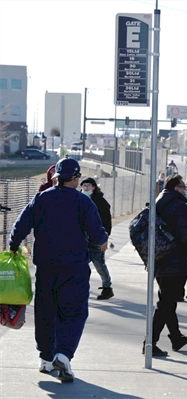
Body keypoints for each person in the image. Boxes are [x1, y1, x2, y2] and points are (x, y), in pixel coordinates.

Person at [9, 157, 108, 383]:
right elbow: (97, 233)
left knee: (46, 313)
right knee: (73, 312)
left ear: (56, 178)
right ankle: (63, 354)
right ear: (75, 178)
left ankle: (45, 359)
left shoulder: (41, 199)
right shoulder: (83, 202)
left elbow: (20, 225)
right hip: (74, 268)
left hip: (45, 267)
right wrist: (101, 241)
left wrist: (14, 246)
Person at [144, 174, 187, 357]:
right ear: (176, 188)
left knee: (168, 300)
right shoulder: (179, 206)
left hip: (159, 258)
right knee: (166, 303)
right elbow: (186, 235)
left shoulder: (158, 202)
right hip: (175, 261)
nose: (185, 189)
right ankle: (149, 343)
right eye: (182, 186)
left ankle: (176, 337)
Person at [80, 177, 114, 300]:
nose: (86, 188)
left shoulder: (100, 202)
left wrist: (105, 237)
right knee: (80, 265)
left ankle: (107, 287)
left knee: (99, 264)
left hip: (96, 239)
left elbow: (106, 221)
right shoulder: (78, 199)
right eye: (84, 186)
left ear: (94, 187)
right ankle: (80, 288)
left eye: (89, 186)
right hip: (81, 240)